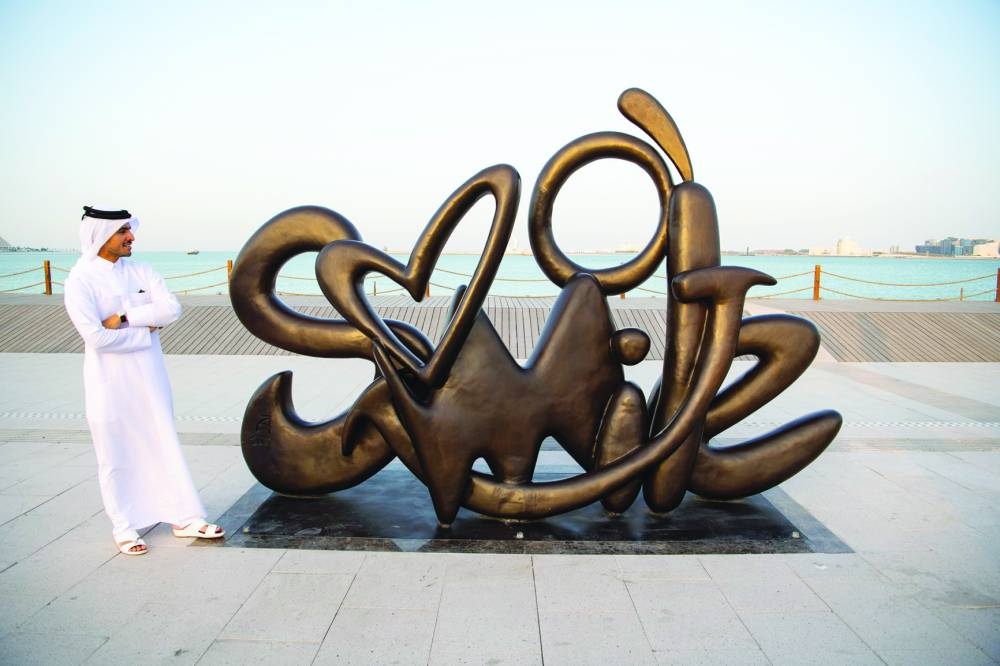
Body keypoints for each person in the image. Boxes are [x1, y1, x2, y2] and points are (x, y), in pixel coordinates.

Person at [64, 206, 224, 555]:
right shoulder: (80, 280)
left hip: (150, 376)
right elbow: (96, 338)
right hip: (109, 382)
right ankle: (124, 525)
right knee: (114, 448)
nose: (131, 237)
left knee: (162, 439)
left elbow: (170, 310)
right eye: (123, 231)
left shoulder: (141, 269)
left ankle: (185, 516)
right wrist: (145, 331)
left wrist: (124, 317)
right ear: (100, 236)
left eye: (130, 230)